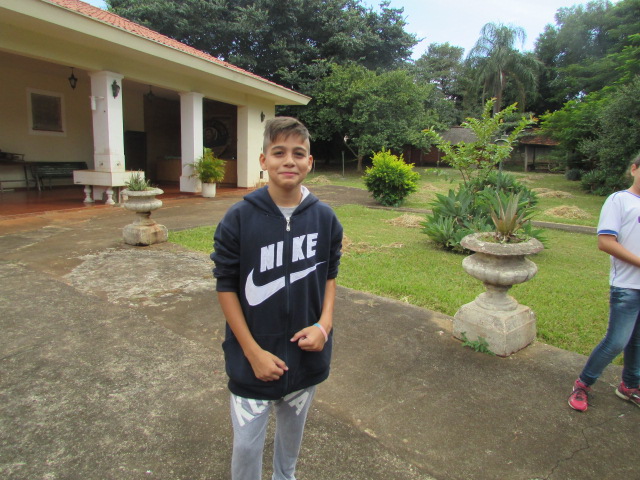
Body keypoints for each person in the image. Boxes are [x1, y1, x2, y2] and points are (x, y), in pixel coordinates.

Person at [211, 117, 343, 479]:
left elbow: (330, 274)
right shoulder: (239, 218)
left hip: (305, 358)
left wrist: (324, 325)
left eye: (298, 153)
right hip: (252, 361)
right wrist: (252, 353)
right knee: (246, 448)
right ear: (263, 160)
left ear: (309, 162)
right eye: (279, 152)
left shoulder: (325, 218)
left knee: (290, 446)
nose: (289, 161)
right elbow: (225, 285)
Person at [568, 153, 640, 412]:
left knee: (637, 341)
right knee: (616, 341)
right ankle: (583, 384)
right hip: (627, 286)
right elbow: (605, 242)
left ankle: (629, 386)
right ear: (634, 169)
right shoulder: (619, 200)